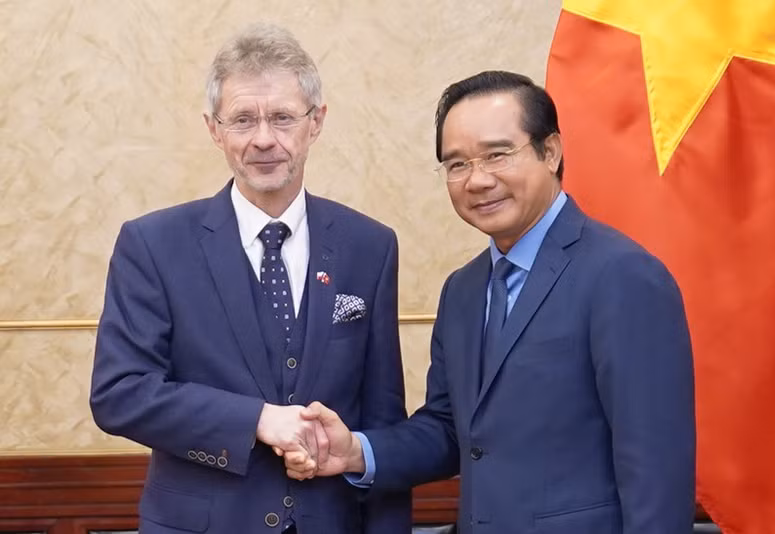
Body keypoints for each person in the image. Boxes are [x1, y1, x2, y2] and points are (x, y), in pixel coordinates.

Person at [285, 71, 696, 534]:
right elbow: (449, 430)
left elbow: (655, 470)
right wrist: (357, 452)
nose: (477, 180)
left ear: (551, 152)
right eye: (457, 164)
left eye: (497, 155)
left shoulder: (622, 276)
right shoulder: (462, 289)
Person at [89, 23, 410, 534]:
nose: (264, 139)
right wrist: (257, 419)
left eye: (283, 117)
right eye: (242, 119)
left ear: (316, 121)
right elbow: (119, 393)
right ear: (214, 128)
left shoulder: (370, 246)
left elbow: (384, 421)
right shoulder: (153, 244)